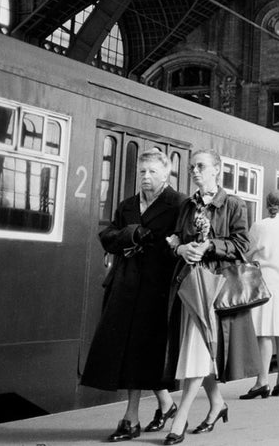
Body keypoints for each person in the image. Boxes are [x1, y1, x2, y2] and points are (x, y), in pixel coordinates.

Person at [80, 149, 184, 442]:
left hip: (158, 291)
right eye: (142, 172)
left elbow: (181, 244)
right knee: (129, 352)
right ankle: (157, 408)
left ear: (166, 174)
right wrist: (133, 234)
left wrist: (156, 242)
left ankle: (133, 418)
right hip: (126, 288)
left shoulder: (178, 204)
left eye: (152, 172)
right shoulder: (127, 206)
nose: (146, 177)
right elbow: (108, 237)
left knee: (142, 353)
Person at [162, 149, 260, 445]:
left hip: (215, 287)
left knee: (199, 347)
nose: (194, 171)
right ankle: (217, 404)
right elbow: (176, 237)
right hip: (191, 284)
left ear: (218, 170)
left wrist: (208, 247)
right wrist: (181, 249)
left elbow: (242, 244)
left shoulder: (233, 204)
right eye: (192, 167)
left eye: (201, 166)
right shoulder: (187, 205)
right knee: (199, 347)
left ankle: (180, 419)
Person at [240, 190, 279, 400]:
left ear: (267, 205)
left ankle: (262, 381)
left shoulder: (260, 226)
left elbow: (247, 251)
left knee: (264, 334)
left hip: (264, 282)